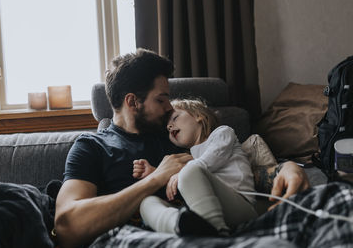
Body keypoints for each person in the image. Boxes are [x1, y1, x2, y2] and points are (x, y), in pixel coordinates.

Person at [54, 48, 310, 248]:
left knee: (332, 198)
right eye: (161, 99)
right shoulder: (91, 147)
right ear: (132, 102)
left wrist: (286, 169)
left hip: (214, 217)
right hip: (141, 236)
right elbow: (68, 227)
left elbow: (232, 170)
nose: (169, 109)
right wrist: (155, 178)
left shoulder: (178, 135)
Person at [133, 99, 258, 236]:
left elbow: (212, 159)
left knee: (190, 171)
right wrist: (155, 172)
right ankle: (178, 225)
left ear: (199, 116)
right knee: (147, 203)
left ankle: (217, 235)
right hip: (202, 211)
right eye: (167, 127)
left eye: (175, 118)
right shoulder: (190, 159)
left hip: (240, 207)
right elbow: (182, 185)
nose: (169, 127)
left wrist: (182, 172)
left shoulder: (222, 133)